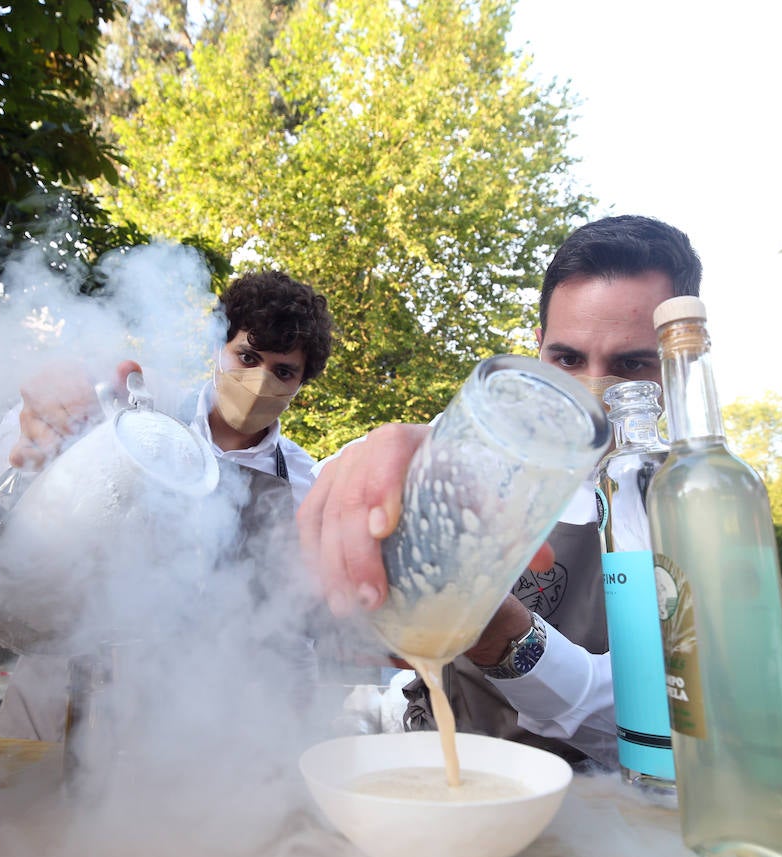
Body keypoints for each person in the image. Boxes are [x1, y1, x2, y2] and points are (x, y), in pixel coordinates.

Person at [298, 215, 702, 766]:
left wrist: (507, 638)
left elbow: (668, 723)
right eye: (567, 359)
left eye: (631, 365)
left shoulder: (701, 502)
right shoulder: (481, 444)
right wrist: (360, 486)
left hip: (597, 796)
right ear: (537, 348)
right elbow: (338, 513)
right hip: (433, 750)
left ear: (678, 359)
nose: (592, 388)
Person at [0, 270, 334, 740]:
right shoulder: (137, 410)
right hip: (62, 685)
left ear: (301, 383)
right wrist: (42, 426)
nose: (259, 381)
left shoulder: (302, 484)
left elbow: (292, 632)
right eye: (247, 357)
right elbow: (18, 448)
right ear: (219, 348)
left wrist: (300, 731)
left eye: (283, 371)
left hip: (187, 728)